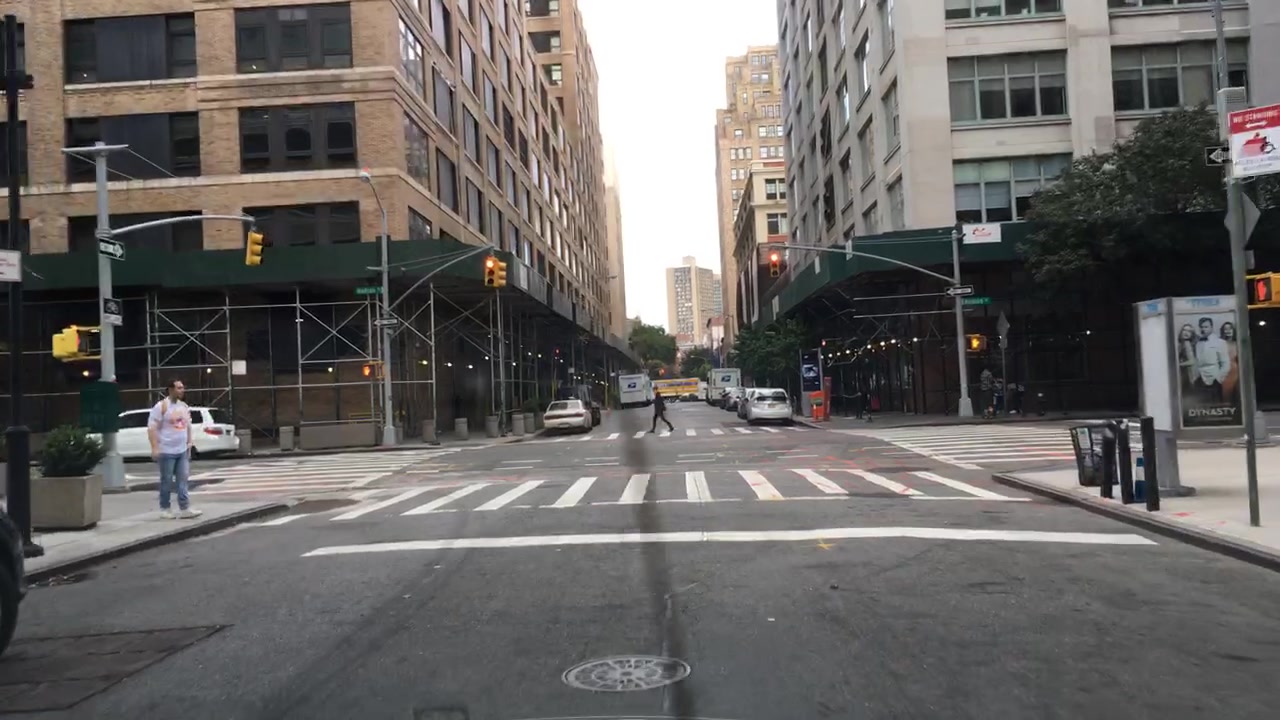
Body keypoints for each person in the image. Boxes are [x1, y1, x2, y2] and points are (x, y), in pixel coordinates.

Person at [148, 379, 202, 519]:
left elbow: (188, 425)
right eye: (179, 388)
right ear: (171, 390)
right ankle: (165, 508)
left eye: (182, 387)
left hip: (182, 449)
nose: (182, 390)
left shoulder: (183, 406)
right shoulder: (161, 406)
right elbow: (152, 428)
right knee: (166, 480)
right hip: (166, 450)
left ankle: (184, 508)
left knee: (182, 479)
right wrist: (155, 448)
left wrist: (189, 442)